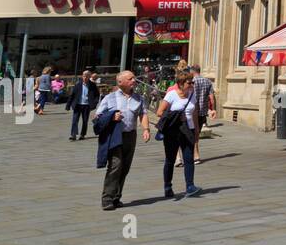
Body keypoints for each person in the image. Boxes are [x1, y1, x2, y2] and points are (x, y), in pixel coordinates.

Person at [92, 70, 151, 211]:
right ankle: (107, 198)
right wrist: (111, 117)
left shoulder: (138, 98)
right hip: (115, 135)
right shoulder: (110, 98)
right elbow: (97, 116)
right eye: (130, 78)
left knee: (125, 167)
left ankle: (116, 197)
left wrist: (146, 129)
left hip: (131, 135)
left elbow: (143, 114)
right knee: (115, 165)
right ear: (120, 82)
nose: (134, 80)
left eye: (134, 78)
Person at [157, 71, 201, 198]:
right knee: (170, 160)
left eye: (193, 82)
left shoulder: (193, 94)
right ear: (181, 84)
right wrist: (176, 115)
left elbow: (194, 114)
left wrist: (196, 130)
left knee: (189, 159)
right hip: (173, 131)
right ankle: (168, 186)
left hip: (188, 130)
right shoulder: (171, 95)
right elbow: (160, 112)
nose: (192, 84)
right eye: (189, 82)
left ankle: (190, 186)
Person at [181, 65, 215, 165]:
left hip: (191, 111)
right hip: (202, 113)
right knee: (196, 134)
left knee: (187, 134)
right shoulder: (208, 81)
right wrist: (213, 110)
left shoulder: (190, 82)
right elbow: (212, 98)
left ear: (192, 71)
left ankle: (190, 155)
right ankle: (196, 155)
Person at [67, 70, 98, 141]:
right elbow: (72, 95)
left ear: (89, 77)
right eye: (84, 76)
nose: (85, 78)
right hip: (77, 105)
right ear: (82, 76)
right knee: (74, 120)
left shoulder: (92, 85)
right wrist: (68, 105)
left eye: (87, 76)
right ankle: (73, 135)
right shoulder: (78, 84)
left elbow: (97, 95)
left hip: (86, 105)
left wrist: (94, 103)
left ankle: (82, 134)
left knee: (85, 120)